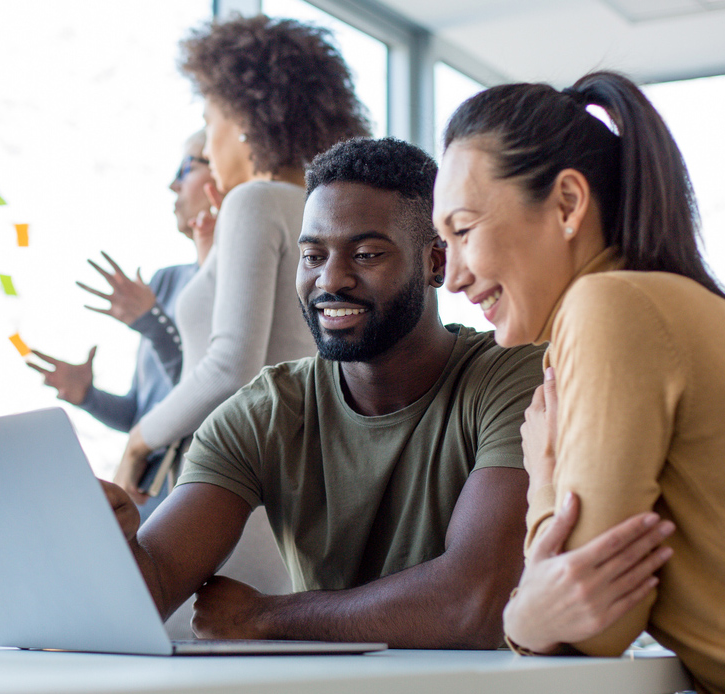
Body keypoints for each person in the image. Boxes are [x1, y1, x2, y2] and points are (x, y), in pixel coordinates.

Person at [435, 71, 725, 693]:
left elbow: (593, 628)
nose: (451, 278)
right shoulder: (645, 303)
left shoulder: (609, 307)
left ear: (566, 205)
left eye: (465, 230)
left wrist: (543, 478)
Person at [101, 137, 545, 648]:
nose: (330, 279)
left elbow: (476, 603)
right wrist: (115, 543)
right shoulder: (265, 411)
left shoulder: (515, 378)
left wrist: (266, 617)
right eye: (312, 255)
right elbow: (151, 586)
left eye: (367, 253)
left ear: (436, 263)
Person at [113, 15, 371, 501]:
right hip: (293, 472)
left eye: (211, 123)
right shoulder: (324, 209)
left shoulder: (254, 202)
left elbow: (231, 365)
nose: (209, 143)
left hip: (231, 480)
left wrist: (137, 440)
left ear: (246, 118)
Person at [28, 131, 217, 512]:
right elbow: (140, 413)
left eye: (187, 167)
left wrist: (152, 322)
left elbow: (210, 390)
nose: (172, 184)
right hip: (144, 488)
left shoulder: (235, 286)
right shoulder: (165, 280)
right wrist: (89, 397)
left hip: (193, 486)